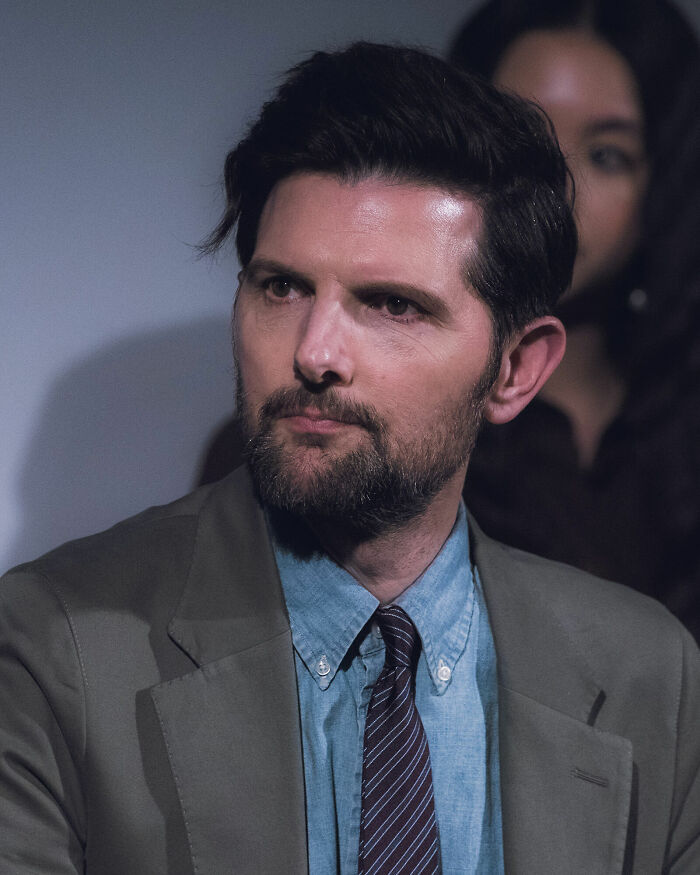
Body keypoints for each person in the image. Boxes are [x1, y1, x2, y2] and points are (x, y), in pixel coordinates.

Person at [1, 42, 698, 874]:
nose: (315, 351)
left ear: (515, 370)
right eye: (281, 287)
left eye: (392, 305)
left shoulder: (650, 675)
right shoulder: (56, 648)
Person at [449, 0, 700, 642]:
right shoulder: (373, 425)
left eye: (607, 155)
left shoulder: (680, 421)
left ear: (664, 186)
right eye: (518, 140)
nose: (556, 186)